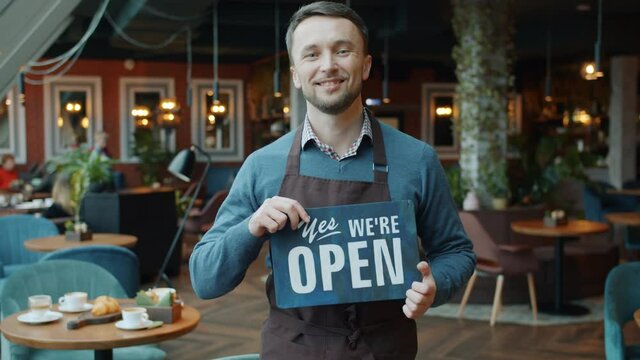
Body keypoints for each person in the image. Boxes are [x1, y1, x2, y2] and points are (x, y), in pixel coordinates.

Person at [190, 2, 475, 359]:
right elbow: (204, 279)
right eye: (312, 54)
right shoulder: (262, 165)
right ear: (296, 74)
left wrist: (437, 285)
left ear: (366, 64)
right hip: (293, 350)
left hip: (387, 348)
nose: (328, 65)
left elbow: (456, 251)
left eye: (343, 50)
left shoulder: (417, 159)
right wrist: (250, 228)